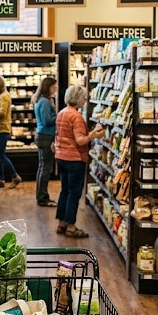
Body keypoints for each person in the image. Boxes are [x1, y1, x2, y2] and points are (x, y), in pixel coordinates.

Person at [55, 85, 104, 238]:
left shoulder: (62, 113)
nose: (85, 101)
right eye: (84, 98)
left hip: (61, 156)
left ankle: (61, 223)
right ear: (78, 99)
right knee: (74, 193)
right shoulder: (76, 117)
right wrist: (93, 135)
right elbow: (80, 140)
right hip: (74, 159)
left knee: (65, 190)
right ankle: (71, 227)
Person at [0, 75, 22, 188]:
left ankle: (15, 176)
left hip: (2, 129)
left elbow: (2, 113)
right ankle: (1, 179)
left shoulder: (5, 97)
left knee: (0, 155)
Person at [32, 77, 58, 207]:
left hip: (42, 135)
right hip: (46, 136)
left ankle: (42, 196)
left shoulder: (40, 100)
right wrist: (58, 115)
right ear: (47, 87)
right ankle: (42, 198)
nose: (56, 89)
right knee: (45, 168)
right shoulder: (45, 102)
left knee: (43, 167)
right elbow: (47, 120)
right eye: (54, 87)